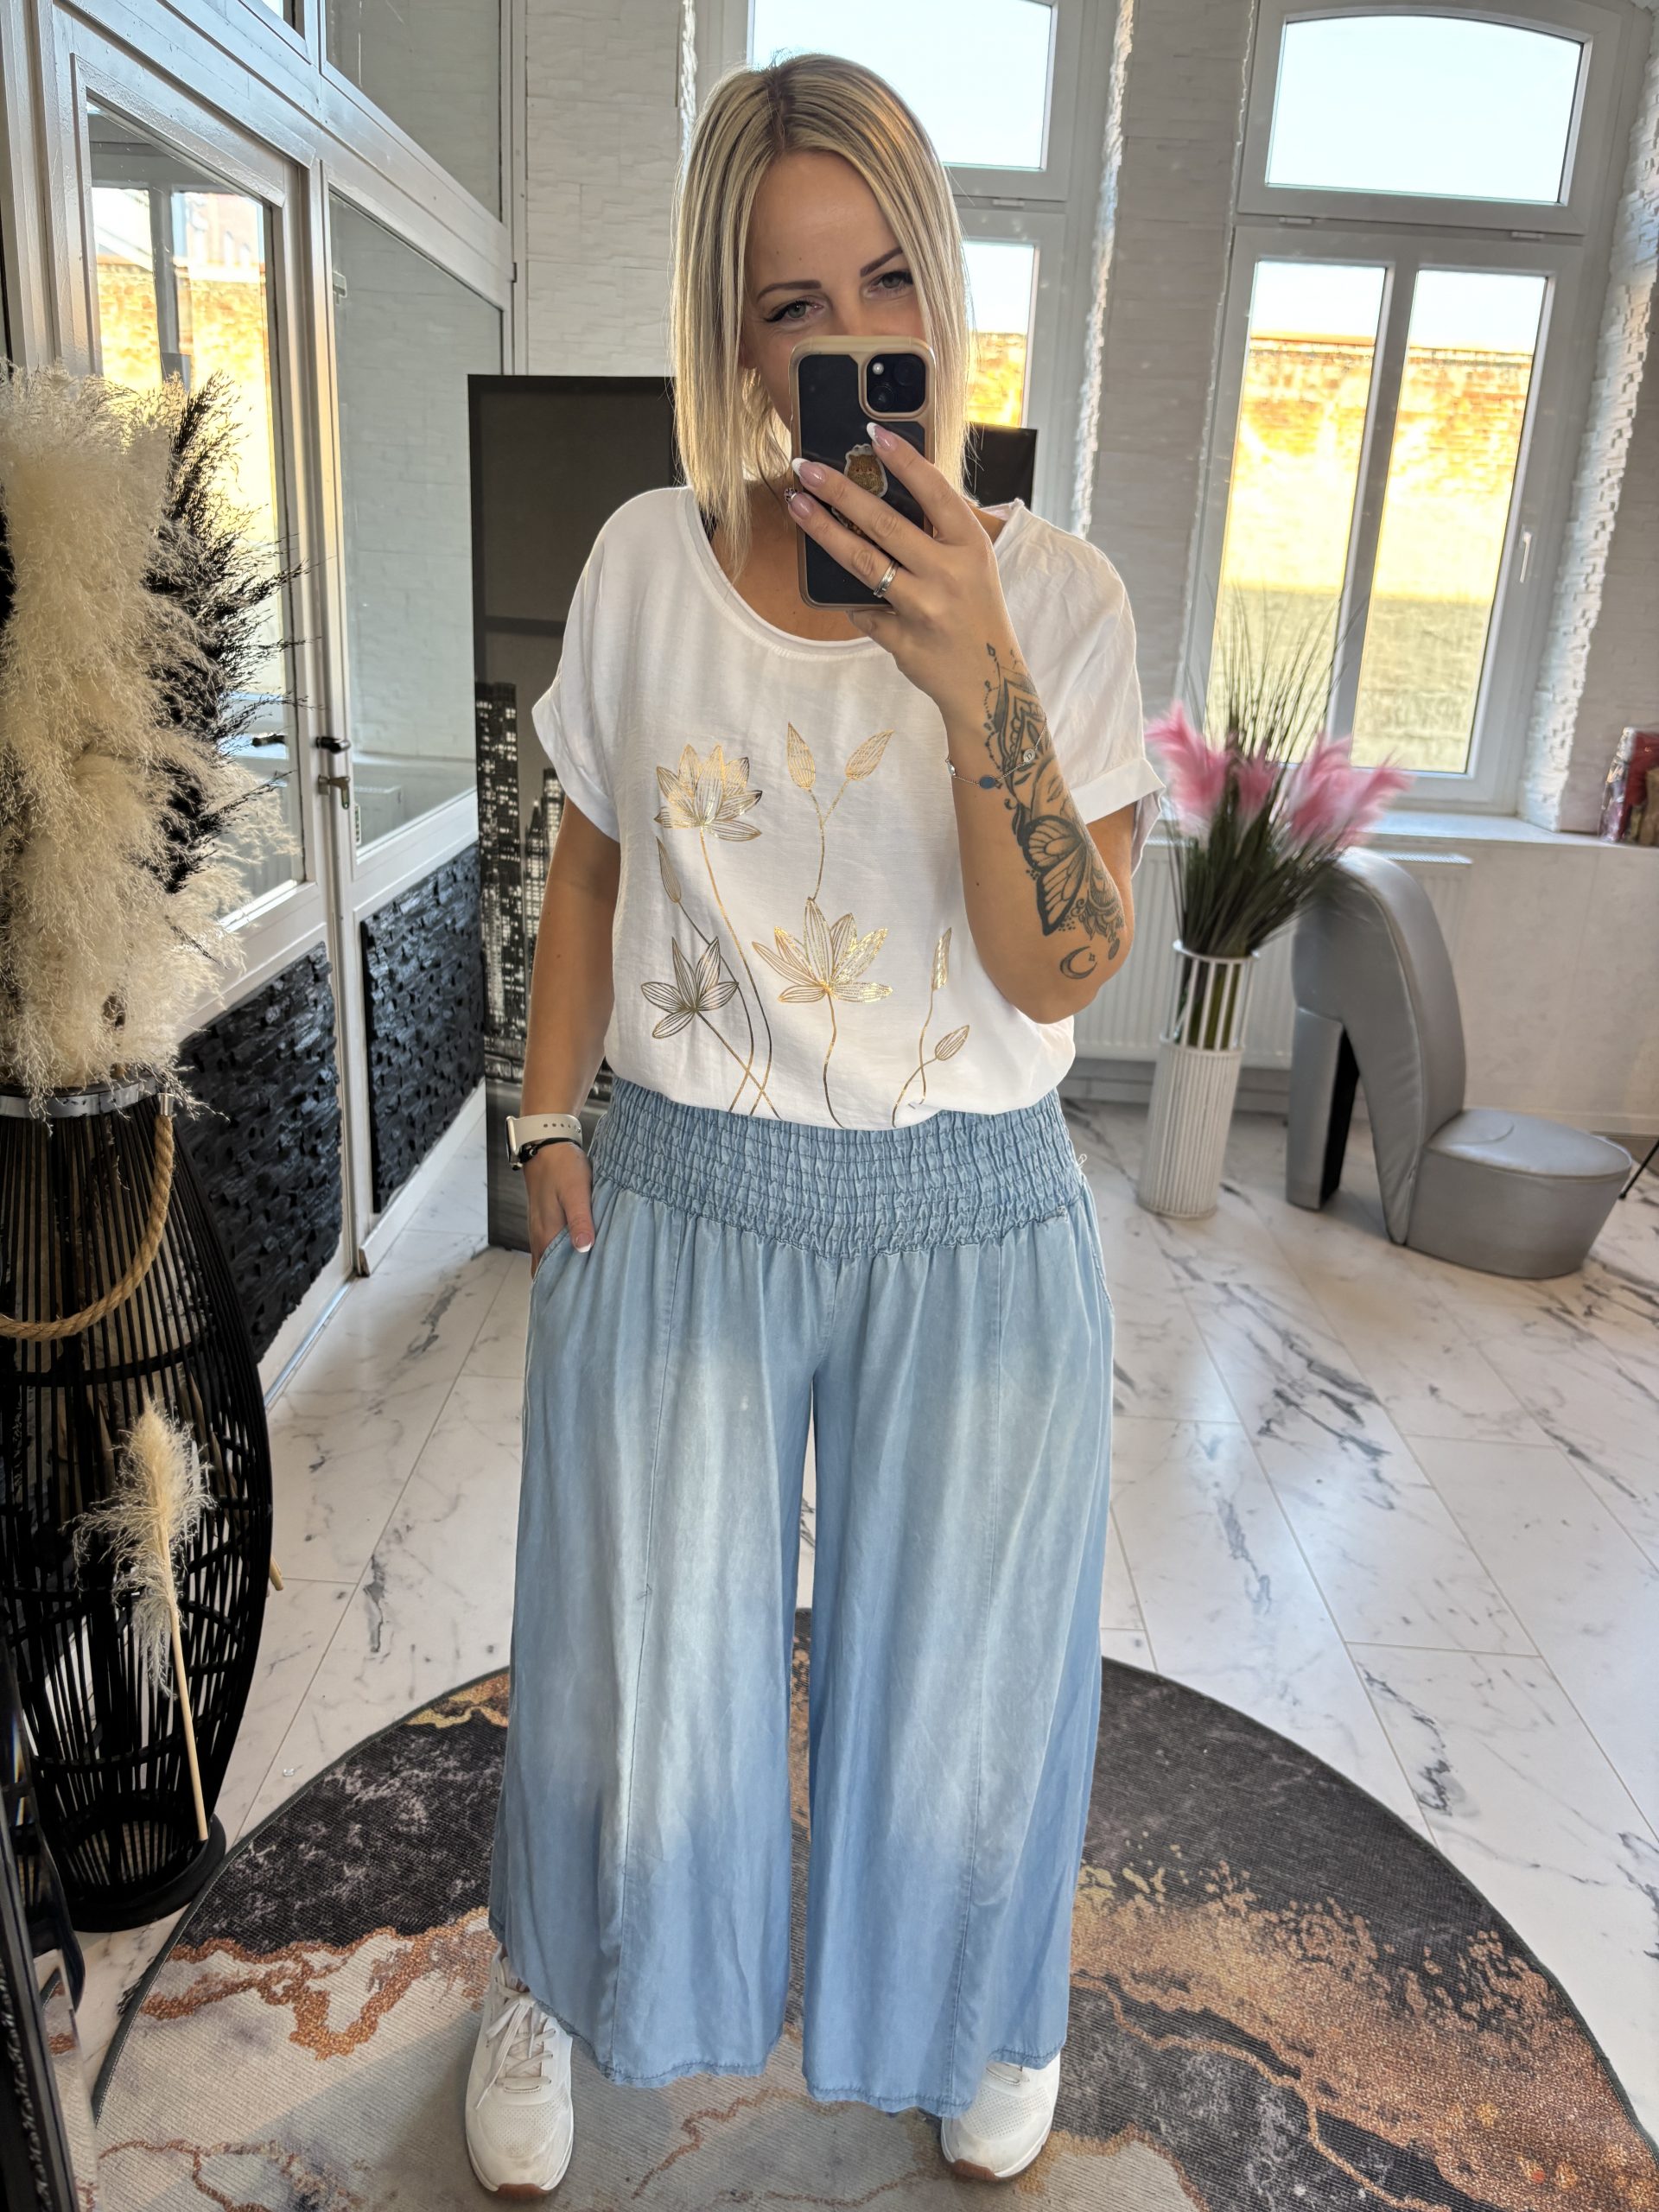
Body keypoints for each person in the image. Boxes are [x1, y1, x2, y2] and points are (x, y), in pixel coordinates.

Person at [464, 52, 1162, 2195]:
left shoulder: (1064, 599)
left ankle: (981, 1997)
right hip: (683, 1188)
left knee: (972, 1669)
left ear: (943, 290)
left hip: (974, 1212)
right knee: (630, 1641)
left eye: (887, 281)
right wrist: (545, 1117)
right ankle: (555, 1971)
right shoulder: (642, 568)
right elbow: (587, 862)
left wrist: (977, 675)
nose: (857, 335)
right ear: (740, 342)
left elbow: (1061, 967)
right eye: (793, 303)